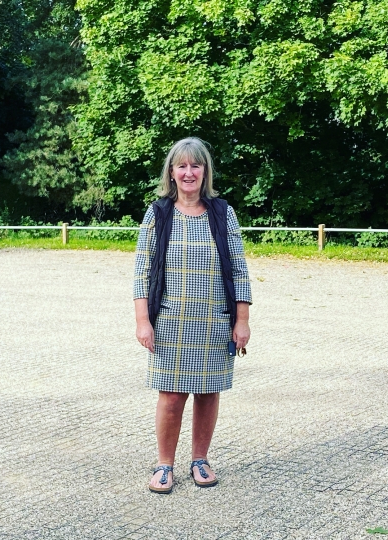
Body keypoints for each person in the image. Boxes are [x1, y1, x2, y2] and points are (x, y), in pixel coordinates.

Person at [133, 137, 252, 494]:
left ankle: (200, 460)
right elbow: (141, 272)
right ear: (171, 172)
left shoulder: (222, 213)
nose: (189, 172)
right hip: (170, 322)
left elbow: (240, 270)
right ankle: (164, 465)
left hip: (215, 320)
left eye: (195, 166)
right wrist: (143, 321)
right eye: (182, 166)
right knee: (171, 396)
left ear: (205, 172)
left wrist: (241, 320)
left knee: (208, 393)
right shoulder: (158, 213)